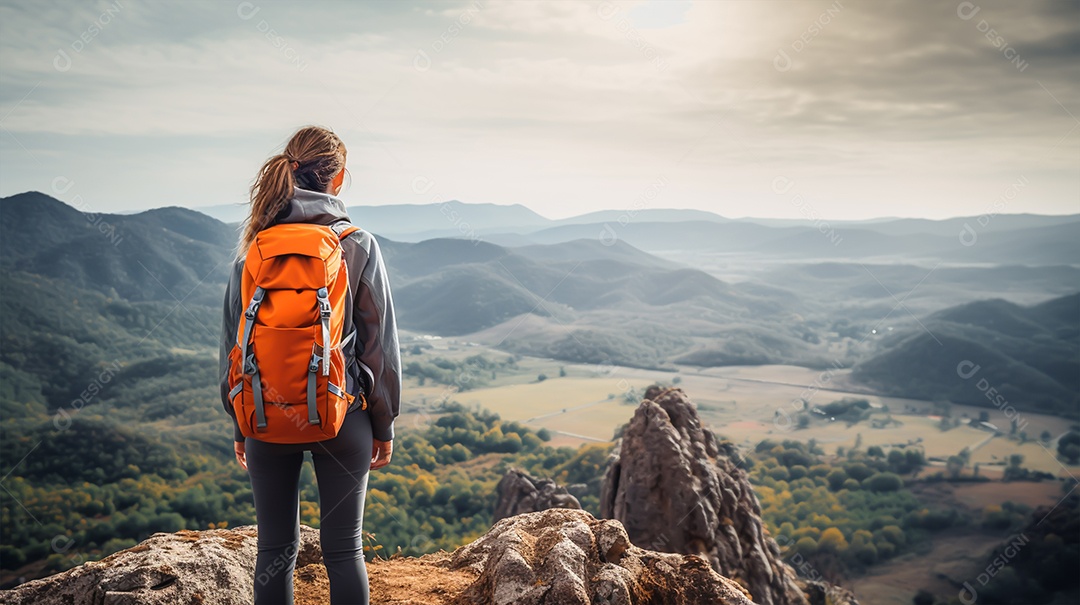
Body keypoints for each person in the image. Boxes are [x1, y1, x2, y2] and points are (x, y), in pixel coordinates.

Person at [219, 125, 401, 605]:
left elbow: (233, 346)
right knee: (344, 551)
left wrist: (242, 423)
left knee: (274, 549)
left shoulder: (256, 244)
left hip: (264, 414)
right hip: (342, 419)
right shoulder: (356, 243)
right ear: (338, 179)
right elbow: (379, 348)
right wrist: (383, 423)